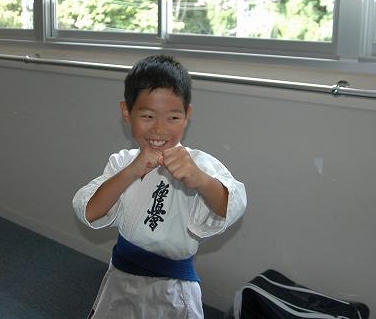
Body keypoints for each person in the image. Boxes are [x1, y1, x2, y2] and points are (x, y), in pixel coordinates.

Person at [72, 54, 247, 319]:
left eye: (172, 118)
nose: (159, 129)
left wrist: (200, 180)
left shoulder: (198, 164)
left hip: (173, 290)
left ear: (187, 115)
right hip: (121, 281)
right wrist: (130, 172)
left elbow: (231, 204)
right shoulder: (123, 162)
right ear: (126, 112)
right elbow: (89, 210)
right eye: (147, 115)